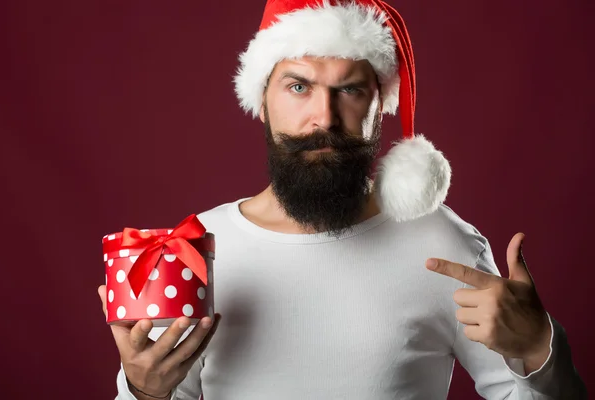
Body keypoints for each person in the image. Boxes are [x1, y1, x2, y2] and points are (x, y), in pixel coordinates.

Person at [98, 0, 587, 398]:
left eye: (349, 89)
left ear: (379, 107)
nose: (324, 118)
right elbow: (156, 390)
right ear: (262, 101)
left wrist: (541, 349)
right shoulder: (195, 248)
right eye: (298, 86)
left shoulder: (443, 246)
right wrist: (143, 391)